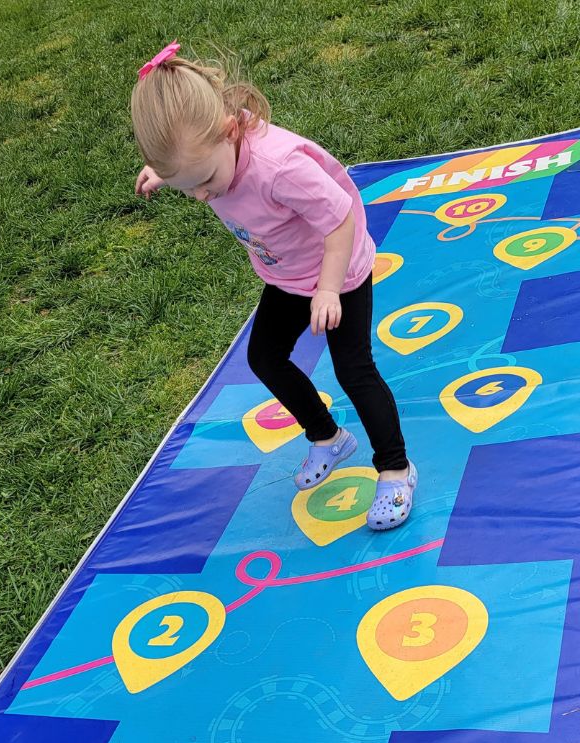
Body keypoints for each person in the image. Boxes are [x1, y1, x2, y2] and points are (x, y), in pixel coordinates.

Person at [131, 41, 416, 531]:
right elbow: (192, 162)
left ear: (229, 131)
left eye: (205, 181)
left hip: (339, 270)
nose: (201, 196)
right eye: (187, 188)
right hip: (287, 275)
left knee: (354, 369)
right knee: (264, 357)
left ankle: (395, 468)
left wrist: (328, 289)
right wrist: (167, 171)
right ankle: (327, 436)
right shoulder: (203, 150)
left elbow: (342, 219)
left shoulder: (279, 169)